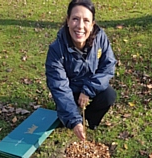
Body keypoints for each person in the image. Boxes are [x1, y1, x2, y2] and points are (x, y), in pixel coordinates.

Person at [45, 0, 117, 141]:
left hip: (90, 86)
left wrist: (88, 90)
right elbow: (59, 87)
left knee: (109, 95)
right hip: (69, 90)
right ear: (67, 21)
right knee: (67, 114)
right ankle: (74, 118)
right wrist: (74, 121)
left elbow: (108, 66)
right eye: (75, 19)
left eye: (86, 20)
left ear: (92, 24)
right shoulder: (56, 49)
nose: (80, 26)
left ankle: (89, 121)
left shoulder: (100, 37)